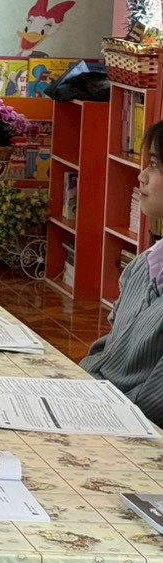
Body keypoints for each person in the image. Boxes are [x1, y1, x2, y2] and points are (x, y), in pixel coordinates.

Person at [83, 120, 163, 422]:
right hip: (95, 401)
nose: (141, 176)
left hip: (125, 422)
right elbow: (110, 352)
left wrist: (91, 406)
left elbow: (153, 405)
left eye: (154, 165)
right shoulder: (144, 265)